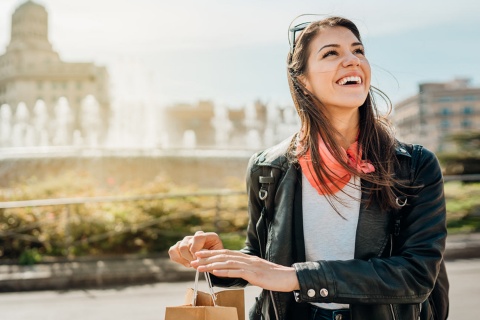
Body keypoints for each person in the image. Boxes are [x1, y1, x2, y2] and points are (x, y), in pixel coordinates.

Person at [168, 15, 449, 320]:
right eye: (332, 53)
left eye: (358, 51)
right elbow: (264, 257)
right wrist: (219, 261)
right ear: (303, 79)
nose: (352, 60)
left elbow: (416, 275)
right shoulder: (268, 168)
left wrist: (299, 278)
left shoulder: (413, 165)